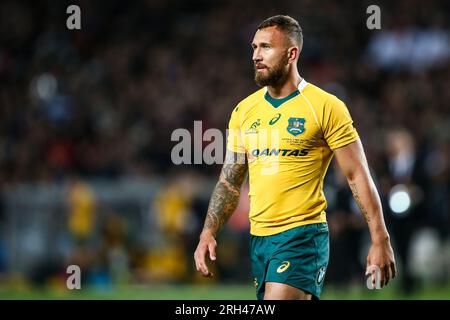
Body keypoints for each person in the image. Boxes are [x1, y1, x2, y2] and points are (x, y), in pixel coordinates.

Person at [194, 15, 396, 300]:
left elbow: (357, 174)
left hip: (302, 236)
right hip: (260, 240)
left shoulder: (325, 106)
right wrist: (207, 232)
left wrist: (380, 238)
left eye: (265, 47)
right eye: (254, 47)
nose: (256, 55)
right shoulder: (244, 111)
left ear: (291, 54)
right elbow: (230, 180)